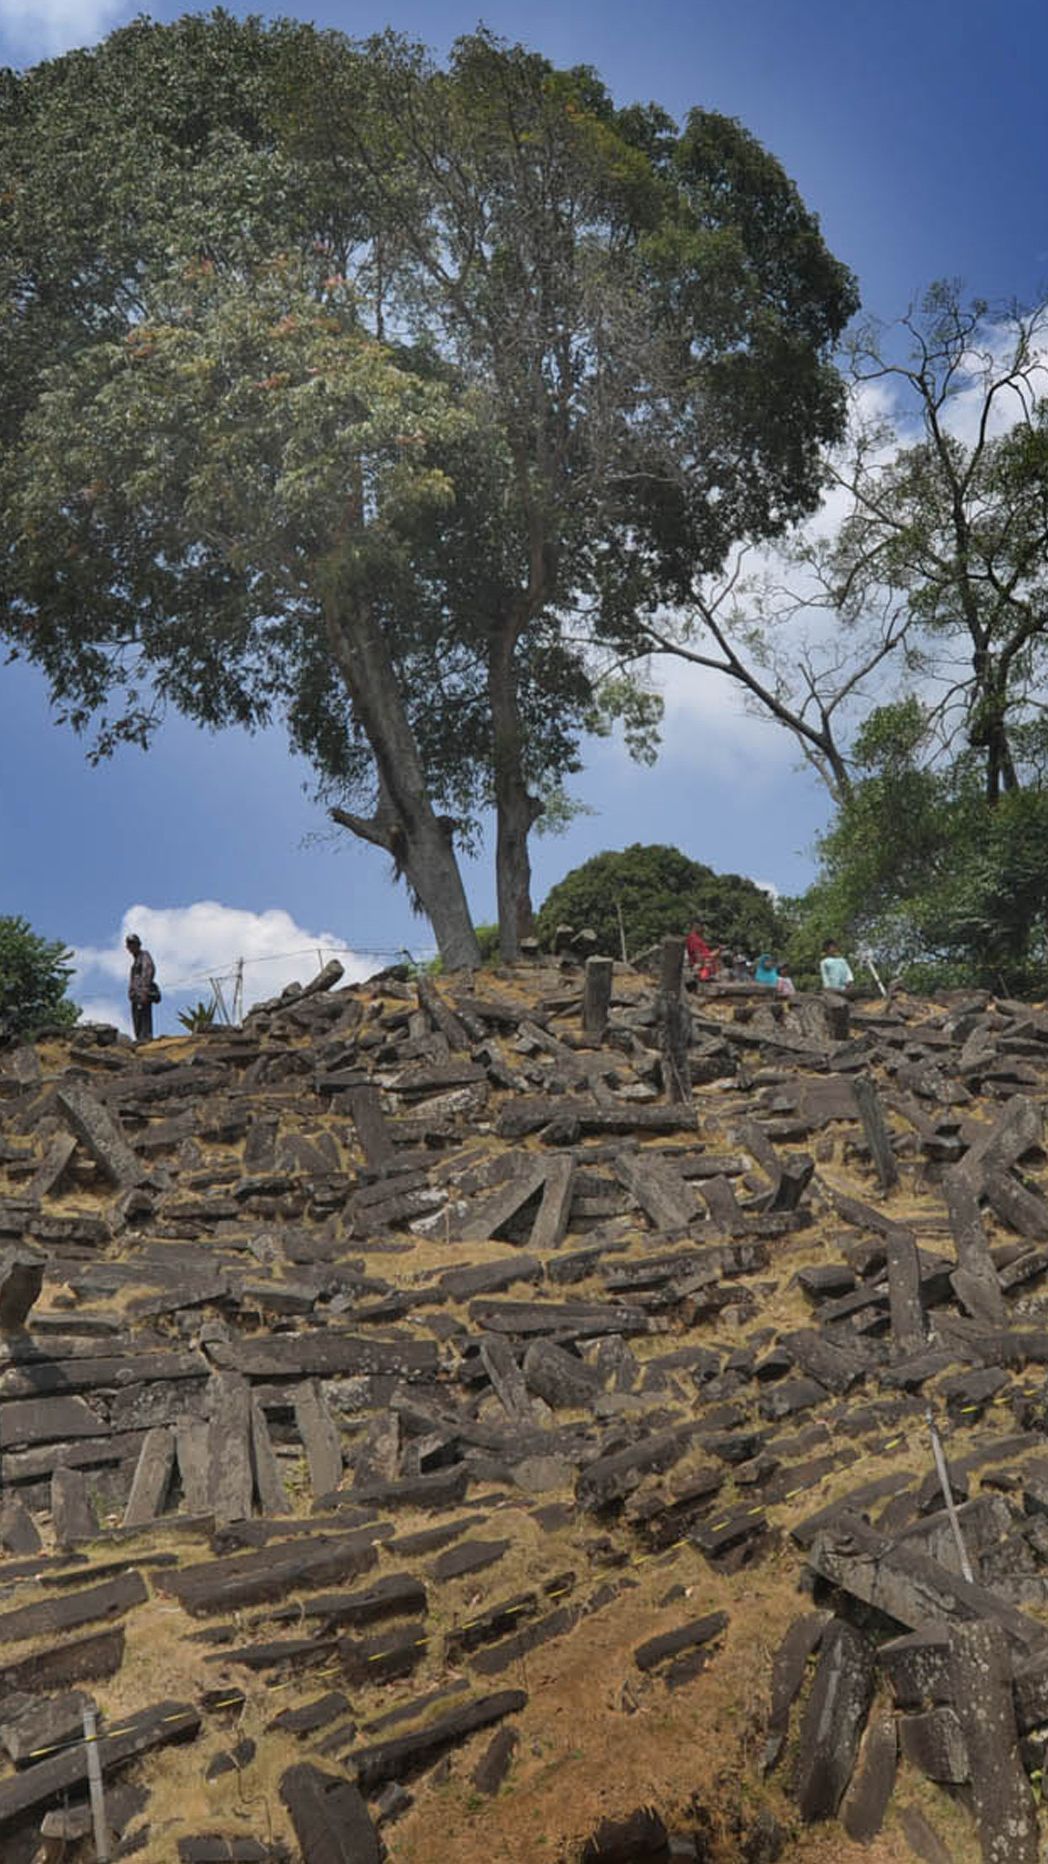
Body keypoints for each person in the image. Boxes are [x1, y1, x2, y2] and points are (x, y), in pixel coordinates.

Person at [126, 933, 158, 1042]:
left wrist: (144, 990)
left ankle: (146, 1038)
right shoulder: (135, 962)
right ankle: (140, 1038)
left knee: (144, 1019)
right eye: (129, 945)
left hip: (142, 994)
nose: (131, 947)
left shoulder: (144, 956)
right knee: (137, 1020)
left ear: (138, 944)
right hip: (136, 996)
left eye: (133, 944)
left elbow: (148, 972)